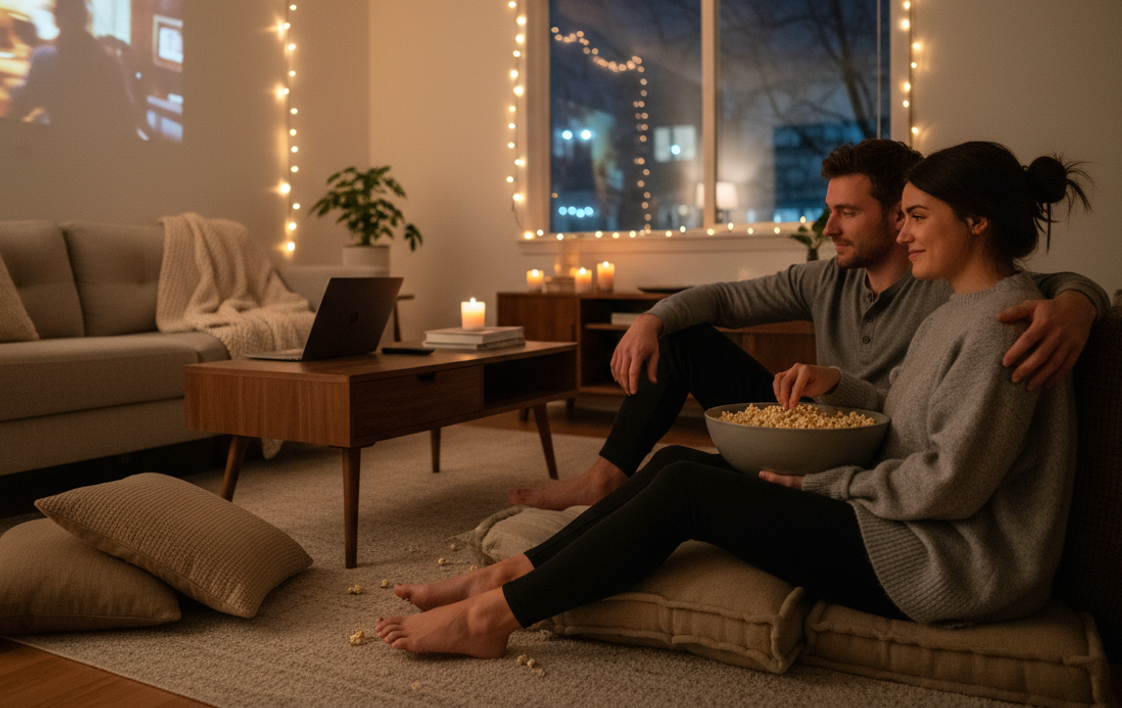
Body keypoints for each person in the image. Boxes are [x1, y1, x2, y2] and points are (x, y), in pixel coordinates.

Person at [376, 140, 1090, 656]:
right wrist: (841, 387)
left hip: (942, 561)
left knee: (689, 488)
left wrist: (822, 483)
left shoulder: (1006, 326)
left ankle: (492, 620)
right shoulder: (954, 309)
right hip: (891, 512)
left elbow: (953, 485)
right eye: (900, 216)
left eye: (916, 216)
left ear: (977, 221)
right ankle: (514, 573)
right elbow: (907, 414)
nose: (903, 232)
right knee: (670, 467)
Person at [510, 139, 1108, 510]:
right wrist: (650, 318)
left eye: (847, 212)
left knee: (684, 479)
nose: (830, 228)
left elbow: (1036, 285)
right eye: (829, 211)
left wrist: (1080, 303)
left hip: (876, 454)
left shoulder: (948, 287)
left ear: (899, 214)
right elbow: (722, 297)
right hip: (811, 424)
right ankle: (605, 478)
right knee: (681, 338)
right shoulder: (825, 279)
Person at [7, 0, 142, 140]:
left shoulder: (45, 60)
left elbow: (22, 105)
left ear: (56, 20)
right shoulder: (108, 63)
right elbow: (127, 114)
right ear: (86, 20)